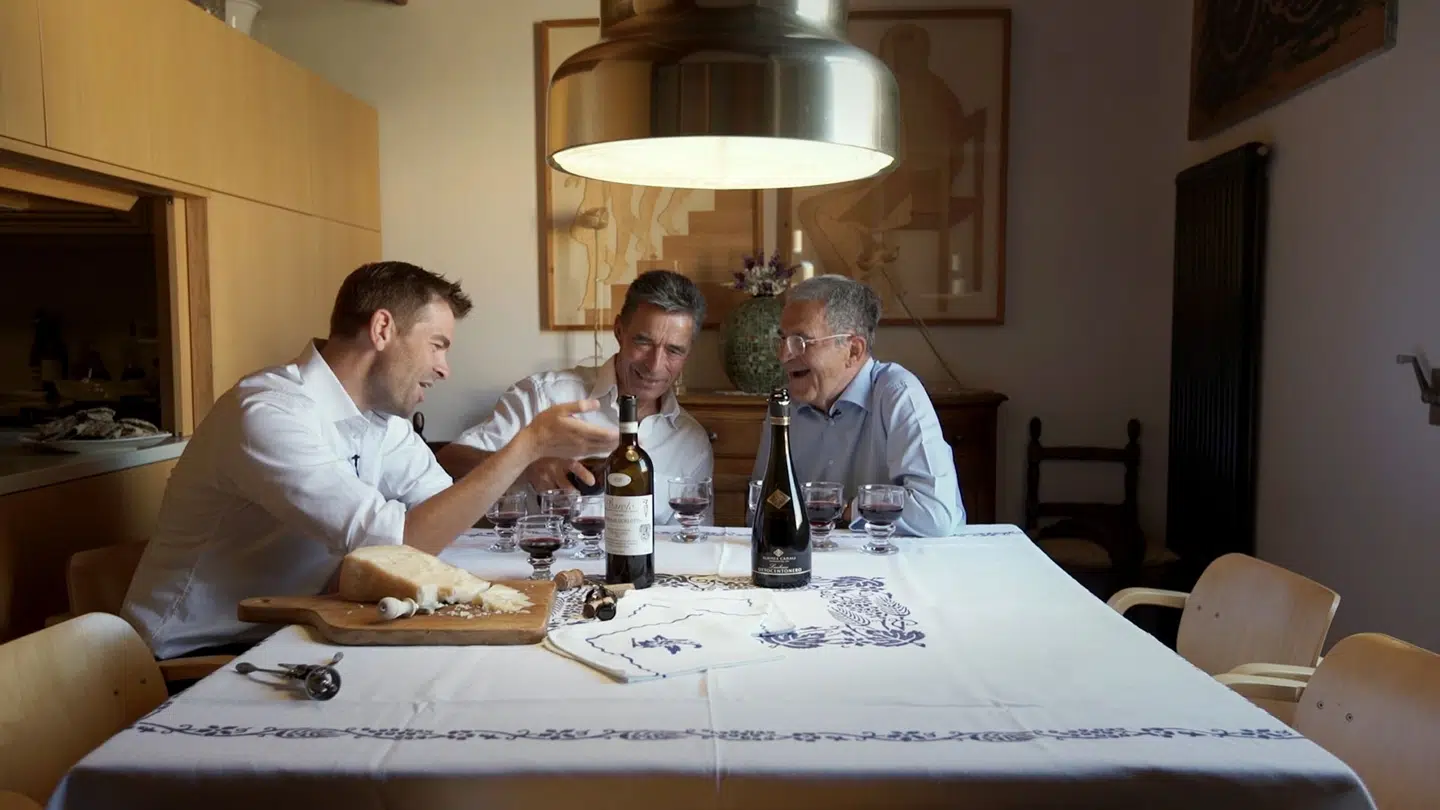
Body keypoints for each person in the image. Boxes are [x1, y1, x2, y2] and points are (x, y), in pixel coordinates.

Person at [121, 261, 618, 660]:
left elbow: (443, 514)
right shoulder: (268, 413)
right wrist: (527, 446)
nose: (444, 368)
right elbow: (396, 541)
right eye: (438, 345)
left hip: (295, 632)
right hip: (196, 657)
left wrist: (529, 465)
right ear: (382, 328)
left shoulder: (383, 420)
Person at [438, 269, 712, 524]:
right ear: (619, 331)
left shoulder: (692, 443)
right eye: (644, 342)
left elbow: (694, 539)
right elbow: (448, 462)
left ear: (688, 352)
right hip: (541, 560)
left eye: (674, 350)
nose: (654, 365)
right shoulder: (542, 396)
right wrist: (524, 464)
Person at [751, 274, 964, 536]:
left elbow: (934, 512)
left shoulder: (898, 393)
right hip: (813, 556)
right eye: (782, 339)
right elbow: (760, 507)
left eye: (801, 341)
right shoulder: (784, 405)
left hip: (897, 558)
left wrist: (840, 509)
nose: (783, 355)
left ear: (853, 350)